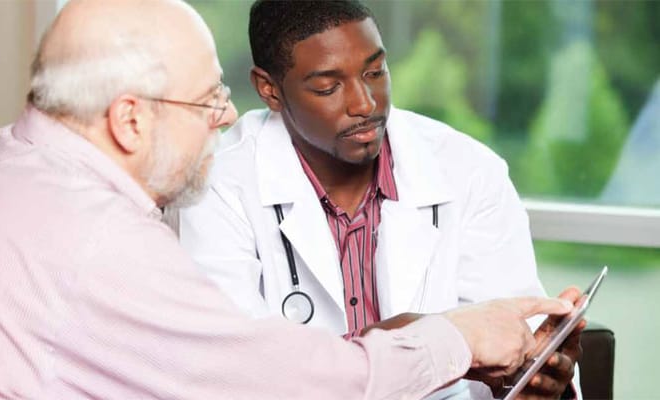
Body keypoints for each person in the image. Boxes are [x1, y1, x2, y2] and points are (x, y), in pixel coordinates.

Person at [0, 0, 574, 398]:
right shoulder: (99, 240)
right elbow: (270, 386)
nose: (224, 118)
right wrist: (454, 337)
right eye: (207, 100)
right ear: (130, 120)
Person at [176, 0, 583, 398]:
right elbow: (235, 371)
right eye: (328, 87)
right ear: (270, 90)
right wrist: (428, 335)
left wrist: (533, 380)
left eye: (375, 72)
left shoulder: (469, 171)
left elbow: (513, 341)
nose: (365, 104)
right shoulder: (217, 184)